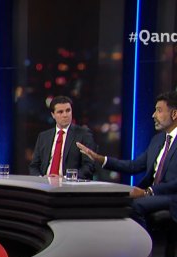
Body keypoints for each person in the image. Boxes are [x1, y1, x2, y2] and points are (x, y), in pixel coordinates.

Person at [76, 90, 177, 229]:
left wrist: (147, 192)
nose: (153, 115)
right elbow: (134, 166)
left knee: (135, 205)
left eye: (159, 111)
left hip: (172, 197)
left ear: (174, 114)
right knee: (116, 202)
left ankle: (143, 248)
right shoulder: (158, 140)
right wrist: (99, 159)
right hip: (153, 194)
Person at [29, 95, 96, 180]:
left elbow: (89, 166)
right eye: (60, 112)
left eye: (68, 111)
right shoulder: (43, 136)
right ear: (53, 115)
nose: (65, 115)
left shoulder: (84, 134)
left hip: (69, 186)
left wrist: (64, 178)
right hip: (44, 185)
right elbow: (34, 166)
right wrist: (41, 179)